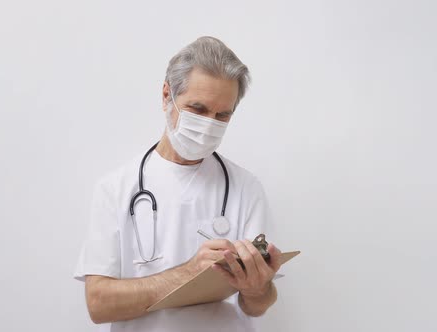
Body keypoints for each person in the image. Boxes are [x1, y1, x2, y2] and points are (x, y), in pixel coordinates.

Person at [74, 36, 283, 332]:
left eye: (222, 115)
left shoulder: (245, 187)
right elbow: (99, 304)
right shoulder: (116, 188)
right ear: (165, 96)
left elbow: (258, 306)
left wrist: (256, 289)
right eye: (198, 109)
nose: (210, 123)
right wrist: (188, 273)